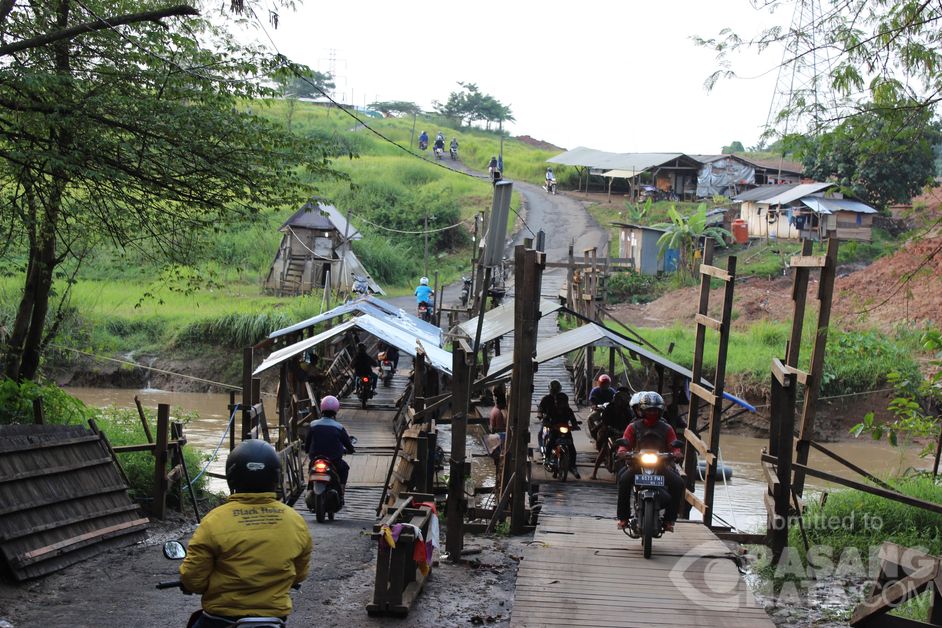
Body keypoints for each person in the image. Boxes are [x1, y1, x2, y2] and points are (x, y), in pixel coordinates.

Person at [179, 440, 312, 628]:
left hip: (221, 618)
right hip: (273, 618)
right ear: (275, 476)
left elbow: (193, 579)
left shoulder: (214, 521)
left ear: (232, 475)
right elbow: (299, 574)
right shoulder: (295, 521)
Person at [615, 391, 685, 533]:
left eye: (655, 410)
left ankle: (669, 520)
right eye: (649, 410)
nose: (652, 413)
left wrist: (677, 453)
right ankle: (623, 518)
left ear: (660, 411)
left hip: (660, 465)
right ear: (642, 411)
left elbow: (673, 444)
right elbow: (625, 443)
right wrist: (623, 451)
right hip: (637, 464)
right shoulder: (633, 427)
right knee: (623, 480)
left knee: (678, 483)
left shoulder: (667, 428)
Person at [305, 395, 356, 498]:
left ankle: (309, 489)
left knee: (311, 469)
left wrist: (307, 450)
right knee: (344, 468)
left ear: (322, 408)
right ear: (336, 410)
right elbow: (348, 444)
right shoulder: (339, 427)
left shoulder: (313, 425)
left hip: (315, 459)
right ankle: (341, 491)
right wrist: (350, 450)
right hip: (334, 461)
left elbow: (307, 443)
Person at [536, 380, 580, 479]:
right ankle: (547, 459)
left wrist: (575, 426)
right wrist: (547, 422)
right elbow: (544, 416)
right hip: (554, 429)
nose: (562, 403)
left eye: (564, 402)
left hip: (565, 430)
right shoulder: (549, 404)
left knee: (572, 448)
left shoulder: (568, 410)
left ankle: (572, 465)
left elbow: (573, 419)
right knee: (551, 443)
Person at [590, 386, 634, 480]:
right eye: (620, 399)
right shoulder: (609, 408)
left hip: (622, 432)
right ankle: (594, 472)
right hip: (610, 431)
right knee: (604, 449)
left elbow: (630, 421)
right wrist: (609, 428)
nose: (621, 402)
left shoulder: (627, 410)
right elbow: (605, 421)